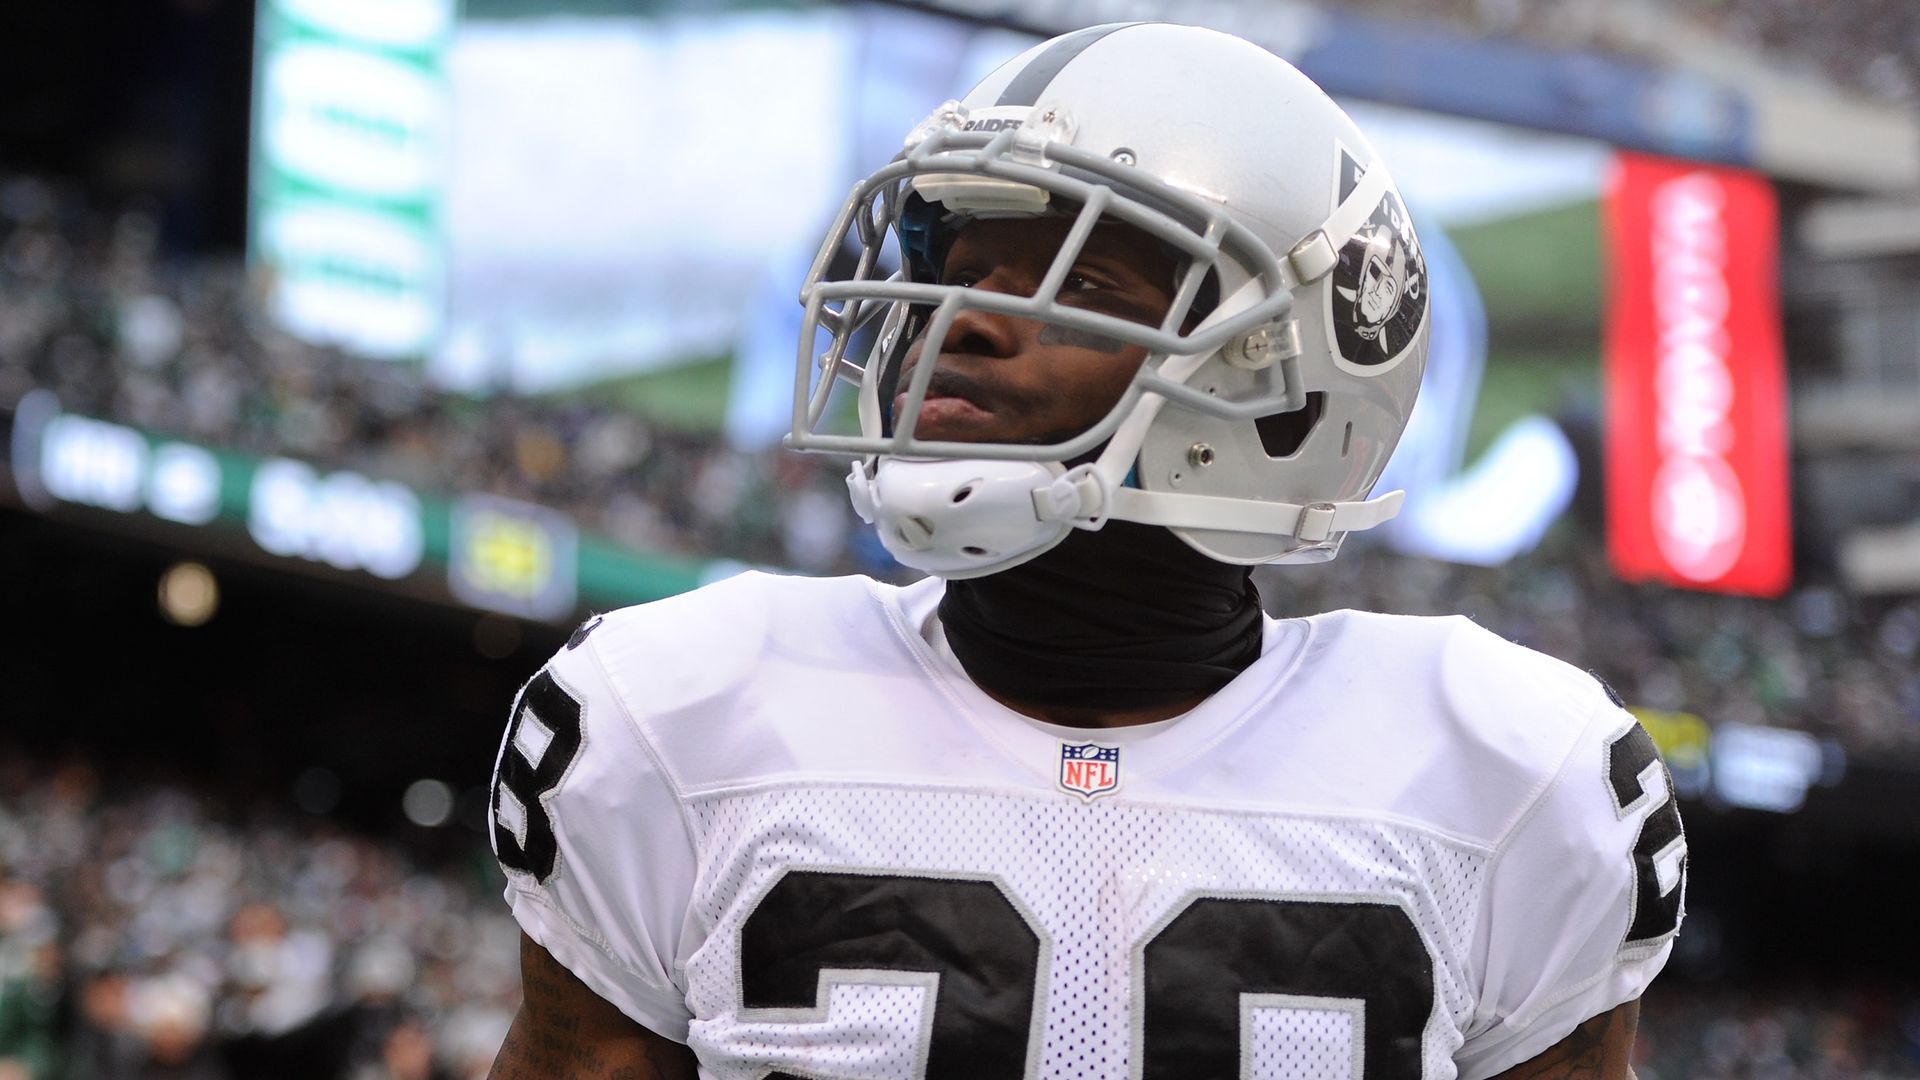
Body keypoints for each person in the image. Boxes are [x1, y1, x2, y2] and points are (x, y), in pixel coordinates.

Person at [486, 22, 1687, 1080]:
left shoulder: (1515, 777)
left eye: (1086, 281)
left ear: (1282, 395)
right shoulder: (671, 713)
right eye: (958, 271)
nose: (967, 321)